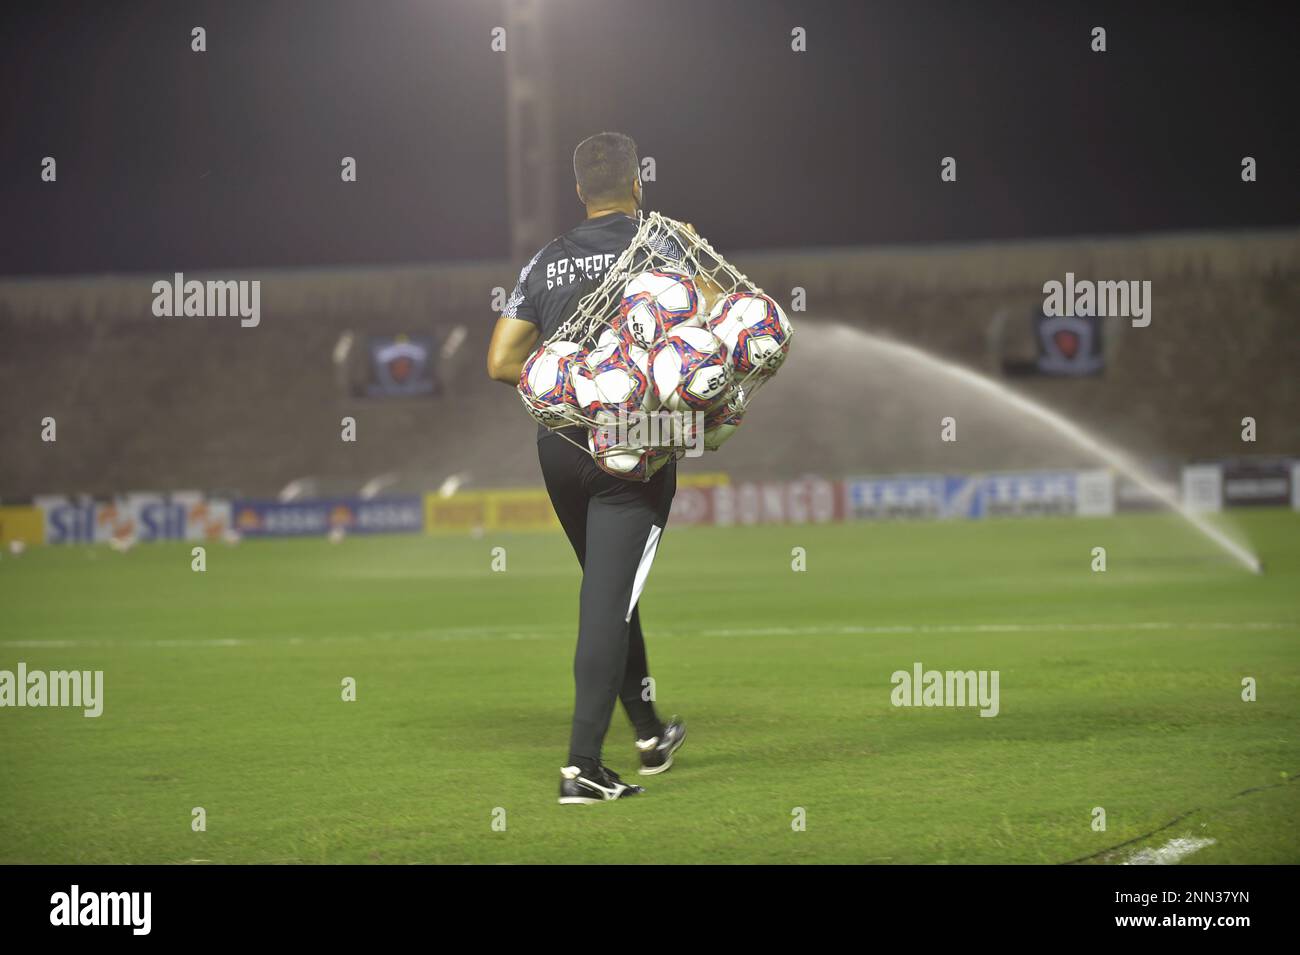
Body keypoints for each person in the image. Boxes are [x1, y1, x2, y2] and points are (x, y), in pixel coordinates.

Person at [486, 132, 688, 803]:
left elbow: (501, 362)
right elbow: (721, 325)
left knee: (613, 591)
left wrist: (579, 384)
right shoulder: (661, 243)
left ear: (579, 193)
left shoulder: (545, 260)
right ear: (638, 183)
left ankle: (652, 733)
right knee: (607, 601)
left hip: (560, 449)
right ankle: (581, 768)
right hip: (632, 446)